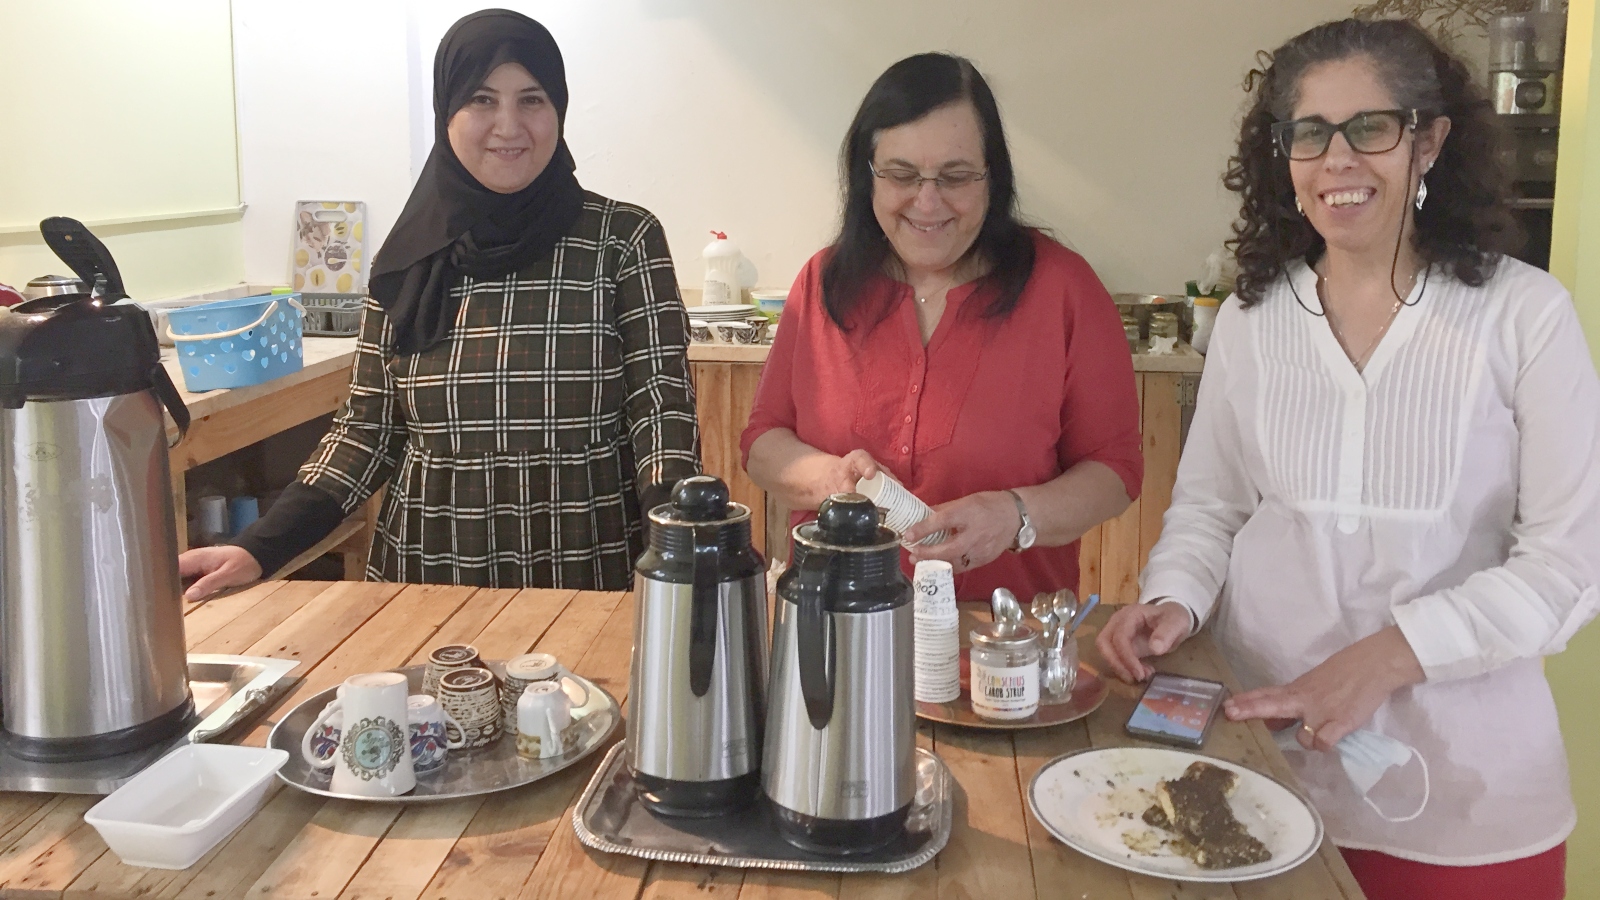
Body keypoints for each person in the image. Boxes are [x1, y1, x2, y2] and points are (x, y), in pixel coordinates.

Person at [1096, 19, 1600, 900]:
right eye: (1309, 132)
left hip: (1464, 807)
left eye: (1372, 127)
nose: (1338, 159)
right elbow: (1212, 507)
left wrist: (1389, 656)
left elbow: (1569, 564)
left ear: (1430, 139)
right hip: (1258, 767)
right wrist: (1171, 599)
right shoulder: (1253, 320)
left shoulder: (1525, 315)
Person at [181, 9, 698, 598]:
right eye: (481, 99)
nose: (508, 125)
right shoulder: (411, 258)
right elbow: (366, 432)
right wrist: (260, 546)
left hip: (583, 561)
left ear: (559, 111)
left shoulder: (620, 239)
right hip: (429, 571)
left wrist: (678, 531)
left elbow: (662, 414)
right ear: (446, 112)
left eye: (531, 100)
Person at [741, 53, 1142, 600]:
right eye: (902, 175)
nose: (927, 203)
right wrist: (833, 479)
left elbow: (1114, 470)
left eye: (955, 177)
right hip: (835, 629)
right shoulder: (823, 282)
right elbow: (763, 442)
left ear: (991, 178)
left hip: (1003, 646)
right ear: (868, 177)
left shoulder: (1063, 289)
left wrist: (1015, 515)